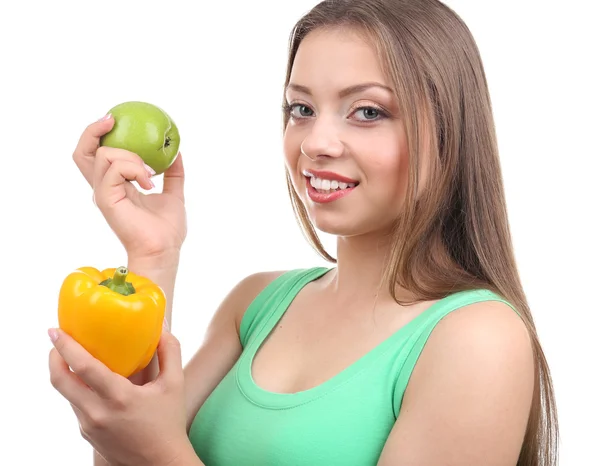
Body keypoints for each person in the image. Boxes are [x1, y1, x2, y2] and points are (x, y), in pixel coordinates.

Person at [48, 0, 559, 465]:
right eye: (302, 109)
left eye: (367, 112)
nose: (316, 142)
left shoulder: (479, 340)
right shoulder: (255, 304)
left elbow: (148, 450)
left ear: (450, 131)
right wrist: (152, 255)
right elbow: (125, 443)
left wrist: (161, 456)